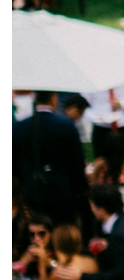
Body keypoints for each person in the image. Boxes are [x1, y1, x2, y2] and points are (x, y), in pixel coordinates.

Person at [13, 92, 87, 220]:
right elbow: (77, 164)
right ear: (54, 99)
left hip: (30, 190)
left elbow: (13, 163)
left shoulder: (20, 127)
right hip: (61, 192)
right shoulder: (67, 126)